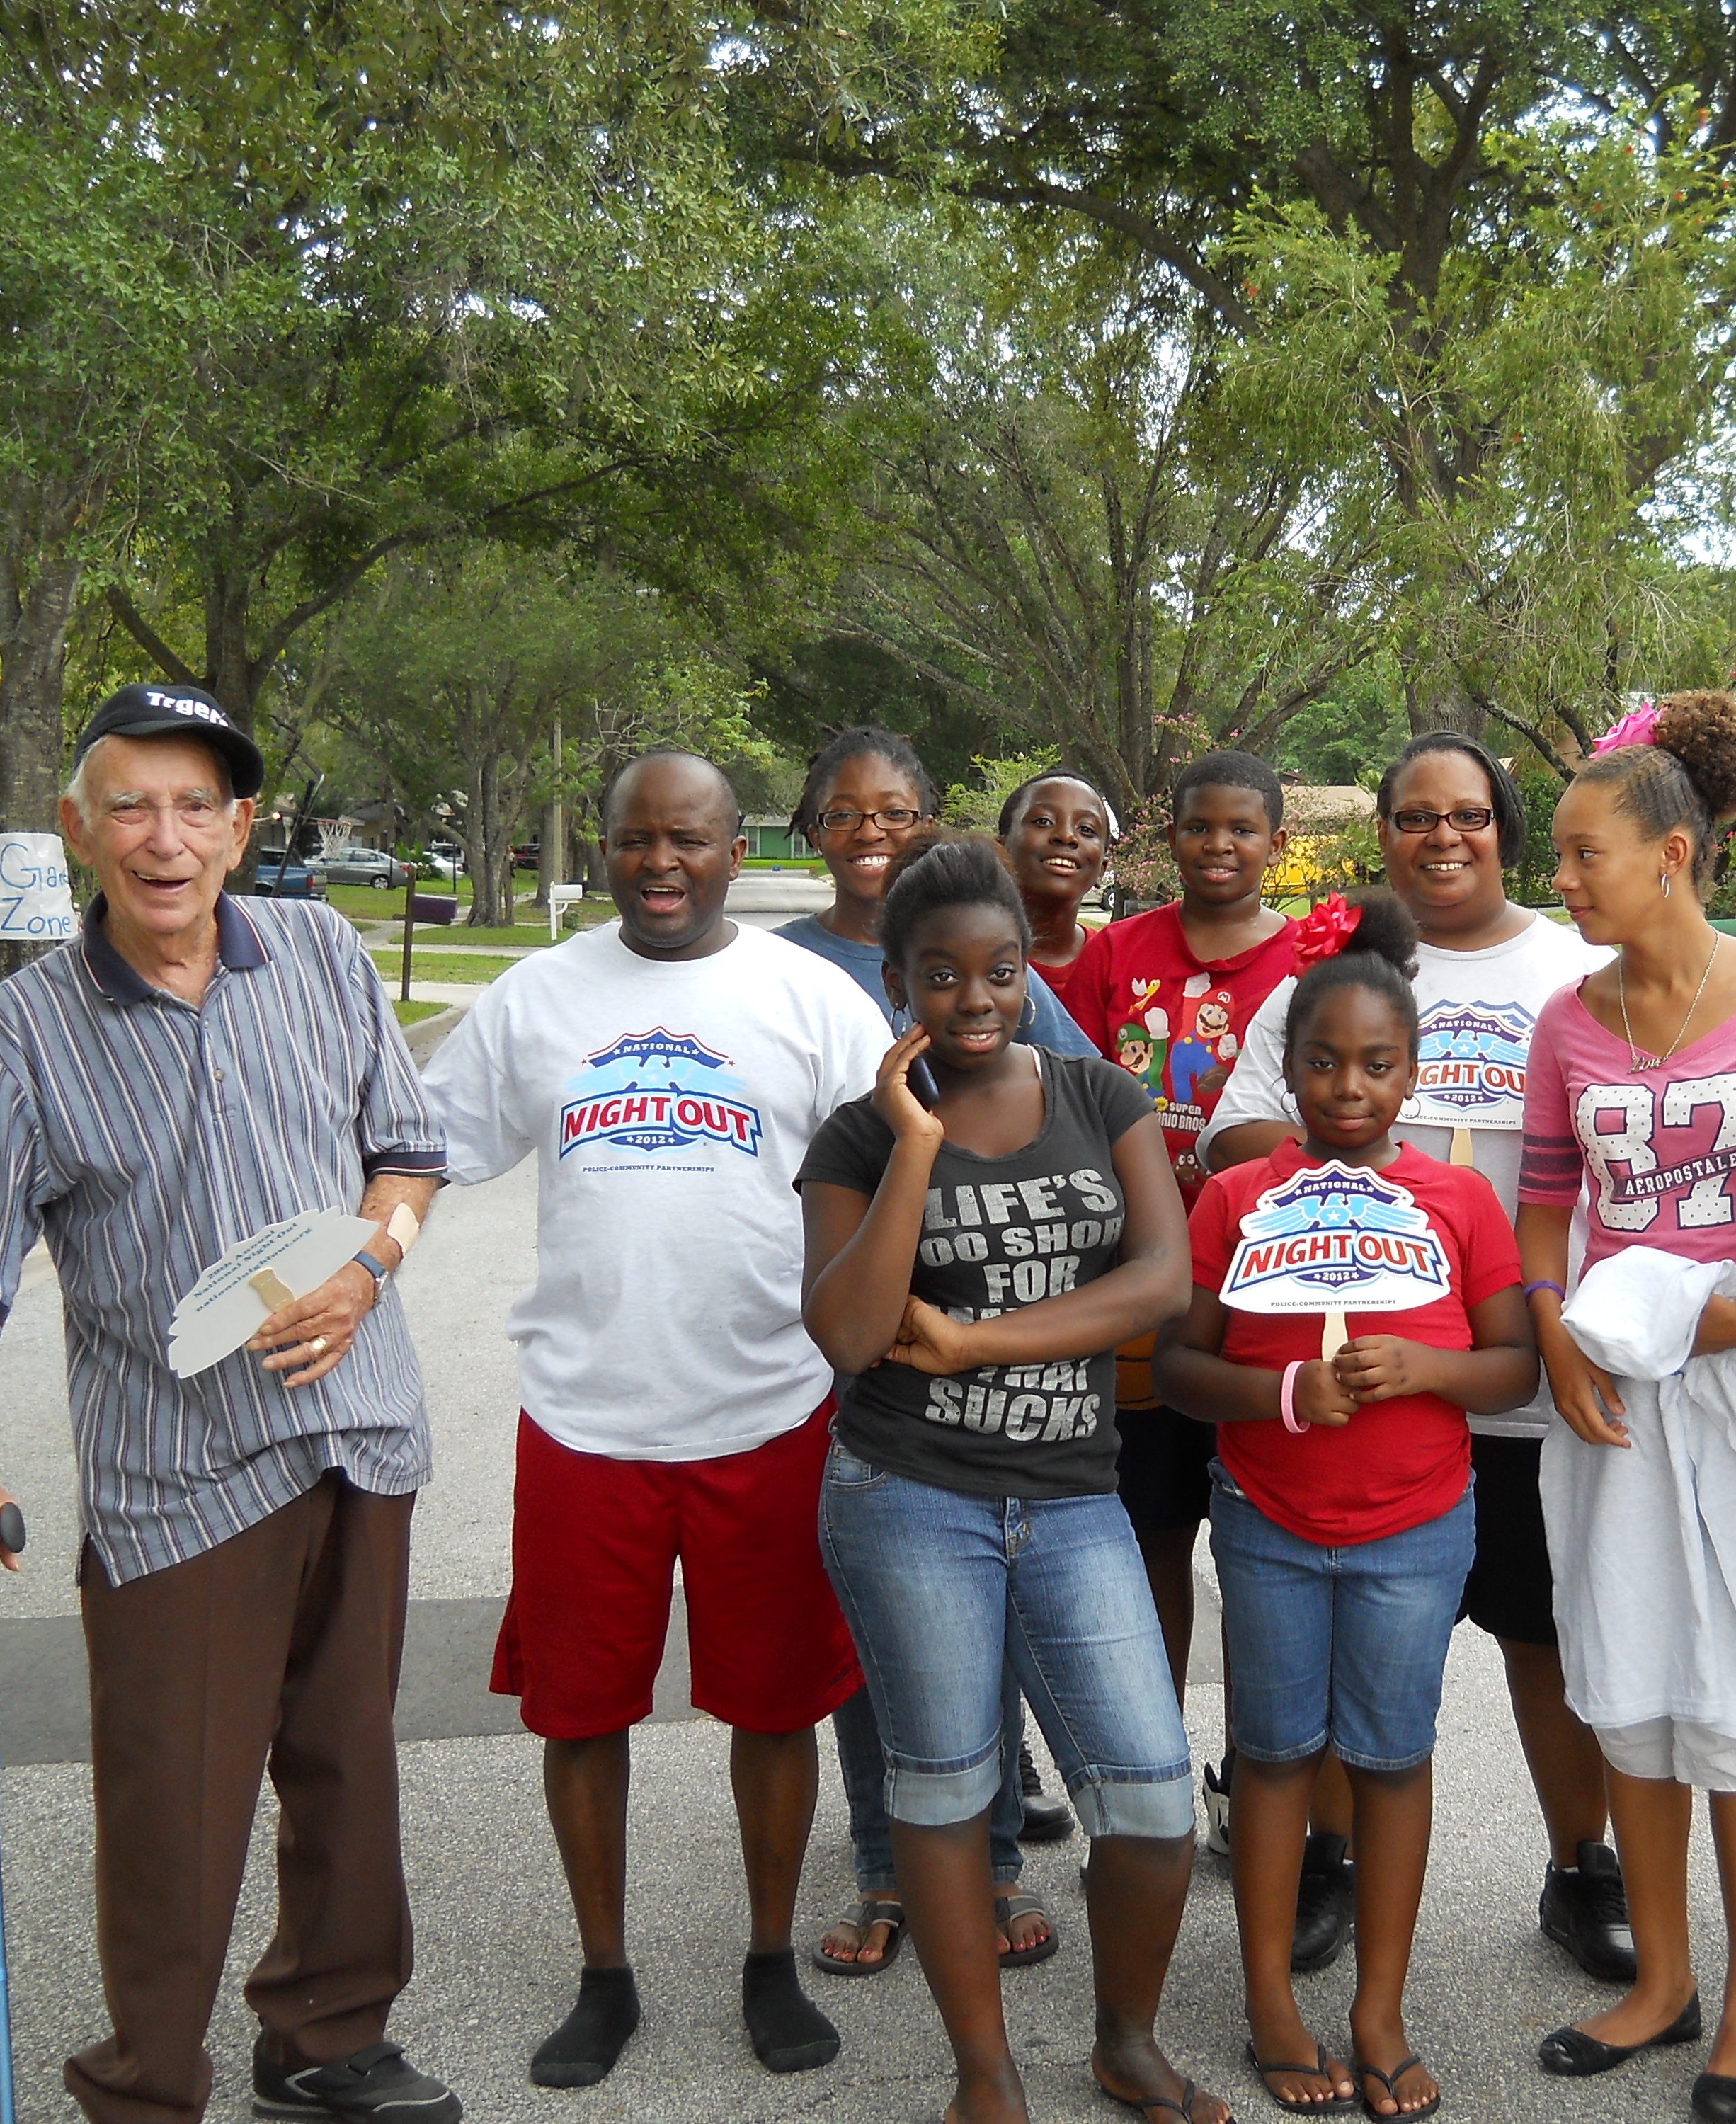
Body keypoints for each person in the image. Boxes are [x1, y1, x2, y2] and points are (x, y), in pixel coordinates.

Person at [0, 683, 459, 2124]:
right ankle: (147, 2085)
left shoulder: (326, 954)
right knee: (175, 1807)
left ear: (241, 827)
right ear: (82, 828)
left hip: (359, 1431)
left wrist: (372, 1264)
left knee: (346, 1764)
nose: (166, 837)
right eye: (132, 805)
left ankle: (327, 2036)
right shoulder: (27, 1032)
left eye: (196, 805)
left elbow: (406, 1152)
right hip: (181, 1474)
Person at [422, 751, 886, 2087]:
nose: (660, 863)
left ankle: (768, 1957)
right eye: (636, 840)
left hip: (771, 1406)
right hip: (586, 1416)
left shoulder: (808, 999)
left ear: (738, 850)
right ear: (609, 850)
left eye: (687, 839)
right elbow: (421, 1147)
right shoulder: (540, 995)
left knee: (774, 1705)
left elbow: (901, 1168)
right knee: (581, 1713)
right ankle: (604, 1972)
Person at [1203, 733, 1635, 1986]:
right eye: (1414, 816)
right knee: (1347, 1648)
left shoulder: (1575, 967)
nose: (1442, 837)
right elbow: (1240, 1120)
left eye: (1469, 815)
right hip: (1354, 1383)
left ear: (1506, 826)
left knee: (1541, 1635)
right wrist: (1333, 1193)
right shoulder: (1328, 974)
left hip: (1512, 1366)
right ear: (1381, 832)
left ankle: (1579, 1866)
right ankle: (1325, 1857)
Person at [800, 830, 1216, 2124]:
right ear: (897, 979)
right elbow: (852, 1337)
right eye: (940, 977)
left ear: (1026, 965)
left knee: (1151, 1803)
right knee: (942, 1788)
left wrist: (978, 1337)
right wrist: (916, 1145)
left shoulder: (1100, 1097)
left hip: (1075, 1494)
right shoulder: (859, 1137)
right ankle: (985, 2073)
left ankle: (1125, 2041)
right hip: (908, 1494)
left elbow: (1161, 1281)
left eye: (995, 972)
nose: (973, 1001)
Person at [1517, 692, 1736, 2122]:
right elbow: (1544, 1204)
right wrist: (1551, 1332)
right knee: (1630, 1681)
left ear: (1667, 854)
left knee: (1733, 1692)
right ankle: (1658, 1981)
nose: (1559, 879)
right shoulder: (1563, 1018)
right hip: (1614, 1379)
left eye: (1579, 852)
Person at [1160, 894, 1540, 2120]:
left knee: (1389, 1756)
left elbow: (1513, 1366)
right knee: (1271, 1757)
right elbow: (1179, 1368)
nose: (1349, 1088)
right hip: (1270, 1525)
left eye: (1378, 1066)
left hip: (1415, 1534)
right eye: (1322, 1064)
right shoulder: (1237, 1201)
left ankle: (1379, 2006)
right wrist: (1284, 1389)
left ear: (1412, 1074)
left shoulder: (1458, 1204)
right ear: (1291, 1067)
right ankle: (1271, 1996)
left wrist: (1427, 1372)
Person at [780, 725, 1087, 1972]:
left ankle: (994, 1844)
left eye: (898, 810)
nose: (874, 832)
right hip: (837, 1311)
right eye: (847, 811)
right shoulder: (778, 965)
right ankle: (882, 1868)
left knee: (981, 1587)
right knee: (879, 1611)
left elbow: (1071, 1094)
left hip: (976, 1331)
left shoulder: (993, 953)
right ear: (810, 830)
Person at [1058, 750, 1303, 1768]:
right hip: (1142, 1286)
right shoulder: (1118, 950)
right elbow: (1066, 1093)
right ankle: (1150, 1758)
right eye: (1200, 827)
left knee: (1256, 1557)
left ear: (1277, 846)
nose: (1219, 846)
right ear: (1170, 840)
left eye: (1243, 830)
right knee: (1148, 1534)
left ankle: (1253, 1774)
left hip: (1263, 1289)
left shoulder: (1311, 960)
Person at [1000, 768, 1117, 977]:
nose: (1066, 836)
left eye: (1086, 829)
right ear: (1000, 850)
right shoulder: (963, 956)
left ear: (1102, 869)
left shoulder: (1117, 967)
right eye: (1043, 821)